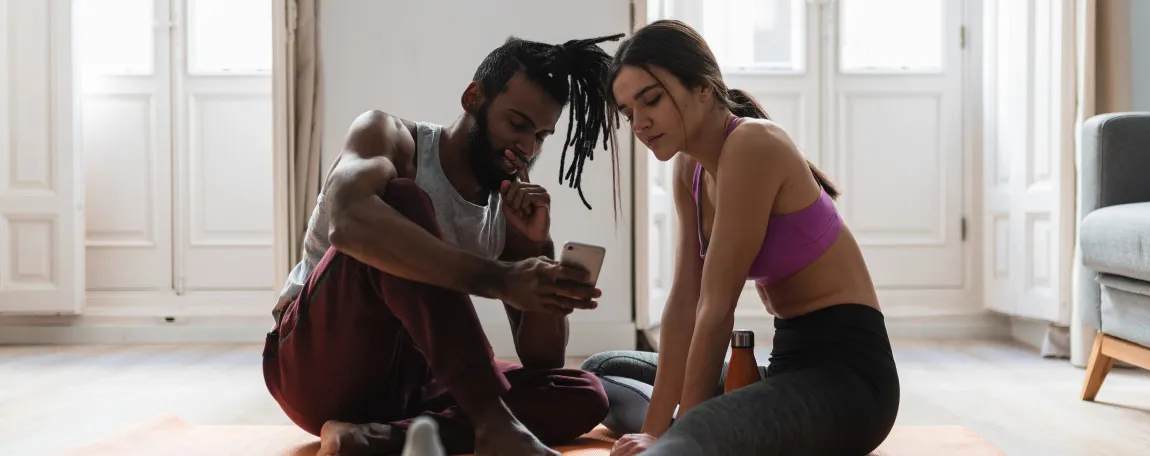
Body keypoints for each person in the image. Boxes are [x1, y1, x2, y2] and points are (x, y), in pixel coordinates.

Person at [262, 33, 625, 456]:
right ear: (473, 98)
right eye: (517, 124)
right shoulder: (390, 138)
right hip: (313, 365)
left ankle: (377, 438)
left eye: (541, 136)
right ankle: (491, 422)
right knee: (401, 200)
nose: (526, 147)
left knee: (581, 391)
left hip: (409, 381)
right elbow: (349, 222)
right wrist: (501, 278)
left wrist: (539, 246)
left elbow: (542, 359)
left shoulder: (507, 212)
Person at [582, 20, 901, 456]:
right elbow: (684, 303)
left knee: (698, 430)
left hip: (850, 383)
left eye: (650, 100)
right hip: (786, 369)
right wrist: (655, 429)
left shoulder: (754, 145)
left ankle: (693, 438)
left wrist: (675, 433)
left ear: (703, 88)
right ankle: (694, 436)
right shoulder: (689, 168)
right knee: (601, 372)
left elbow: (716, 307)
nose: (639, 123)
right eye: (627, 112)